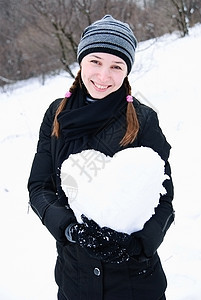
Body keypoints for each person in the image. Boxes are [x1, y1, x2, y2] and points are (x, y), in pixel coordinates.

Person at [28, 15, 174, 300]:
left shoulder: (143, 119)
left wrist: (136, 245)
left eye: (116, 66)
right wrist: (71, 230)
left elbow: (164, 200)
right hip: (75, 281)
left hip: (136, 283)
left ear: (126, 72)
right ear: (81, 61)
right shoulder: (56, 115)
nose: (104, 76)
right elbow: (39, 188)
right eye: (95, 61)